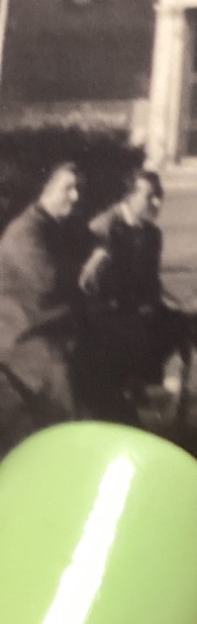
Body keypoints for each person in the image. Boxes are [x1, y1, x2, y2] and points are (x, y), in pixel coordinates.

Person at [76, 170, 184, 423]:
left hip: (139, 312)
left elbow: (151, 282)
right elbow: (90, 286)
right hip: (106, 315)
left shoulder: (152, 235)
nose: (157, 203)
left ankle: (151, 396)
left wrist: (149, 303)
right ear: (129, 196)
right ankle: (132, 399)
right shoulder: (103, 229)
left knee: (178, 324)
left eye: (160, 196)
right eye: (150, 196)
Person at [0, 163, 86, 442]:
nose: (75, 196)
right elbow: (48, 289)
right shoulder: (25, 234)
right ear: (44, 189)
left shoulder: (51, 227)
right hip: (21, 340)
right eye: (67, 188)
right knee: (62, 379)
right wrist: (84, 277)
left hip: (45, 330)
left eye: (77, 189)